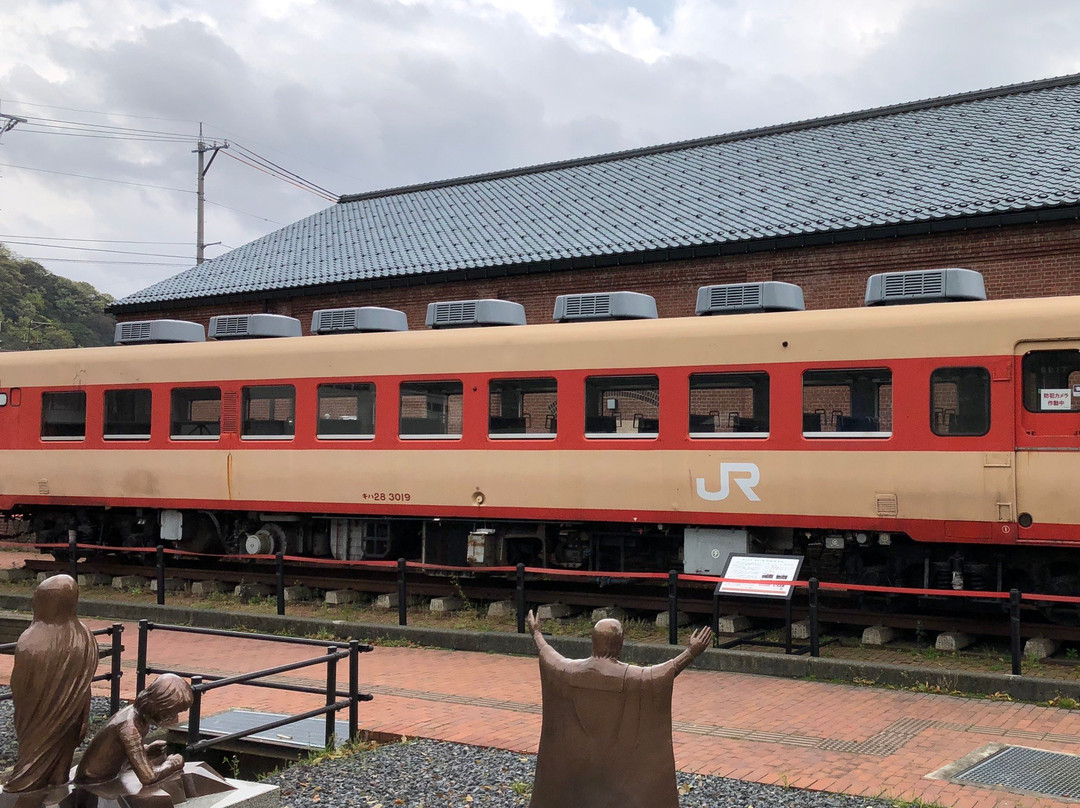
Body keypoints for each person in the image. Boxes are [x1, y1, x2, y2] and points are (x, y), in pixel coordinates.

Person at [526, 611, 712, 808]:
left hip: (579, 767)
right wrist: (691, 653)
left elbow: (548, 655)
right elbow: (665, 672)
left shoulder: (569, 670)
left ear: (593, 641)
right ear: (620, 643)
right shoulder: (632, 677)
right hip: (615, 772)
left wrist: (536, 632)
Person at [5, 574, 99, 793]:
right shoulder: (84, 635)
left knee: (32, 757)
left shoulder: (31, 639)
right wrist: (83, 711)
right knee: (62, 759)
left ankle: (29, 787)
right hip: (72, 715)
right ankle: (58, 787)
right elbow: (85, 684)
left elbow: (19, 686)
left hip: (37, 718)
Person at [74, 674, 192, 787]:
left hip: (106, 773)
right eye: (172, 712)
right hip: (94, 780)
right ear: (159, 704)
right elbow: (148, 777)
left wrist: (147, 751)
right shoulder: (129, 727)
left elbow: (117, 752)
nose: (172, 717)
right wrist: (172, 764)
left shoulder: (137, 717)